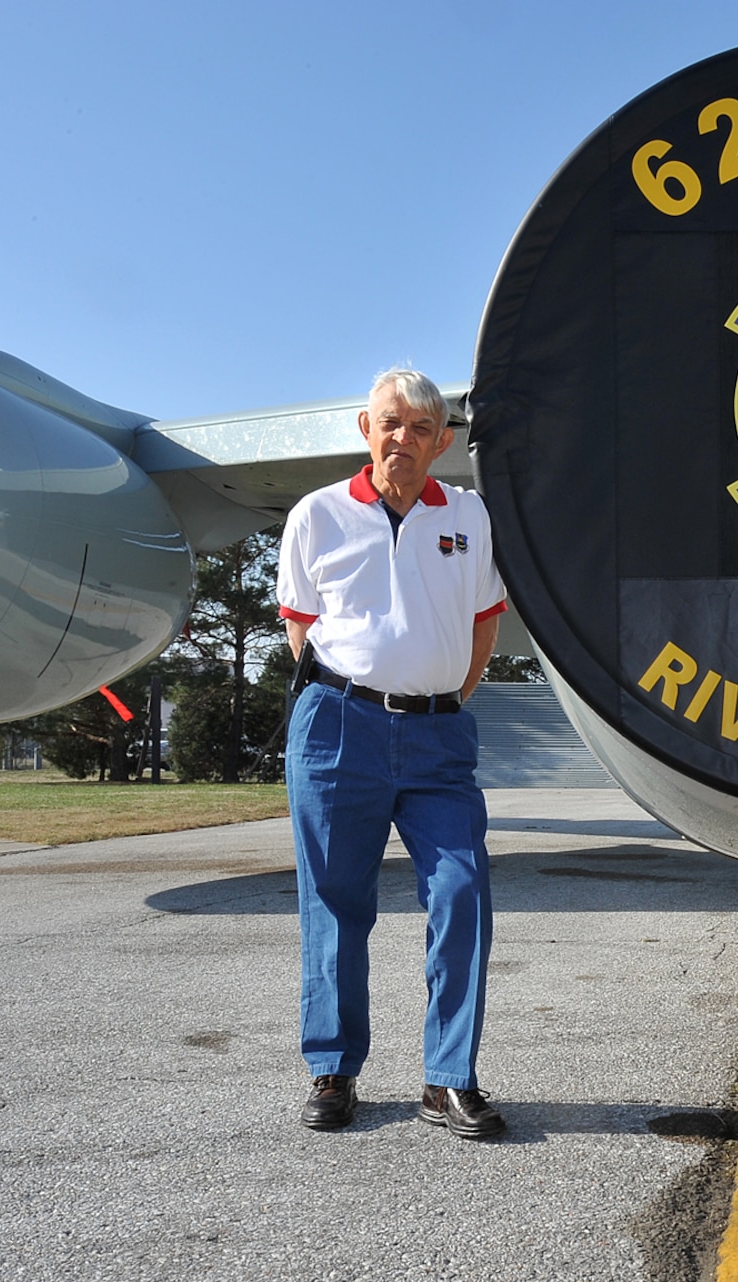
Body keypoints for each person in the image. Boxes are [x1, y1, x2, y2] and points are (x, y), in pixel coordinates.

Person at [276, 367, 509, 1138]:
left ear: (443, 442)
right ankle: (333, 1068)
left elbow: (483, 622)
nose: (401, 438)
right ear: (363, 429)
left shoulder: (471, 517)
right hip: (340, 726)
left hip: (439, 735)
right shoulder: (317, 515)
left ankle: (448, 1080)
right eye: (389, 423)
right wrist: (363, 692)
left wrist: (441, 694)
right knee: (336, 901)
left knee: (462, 888)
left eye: (418, 428)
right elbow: (301, 628)